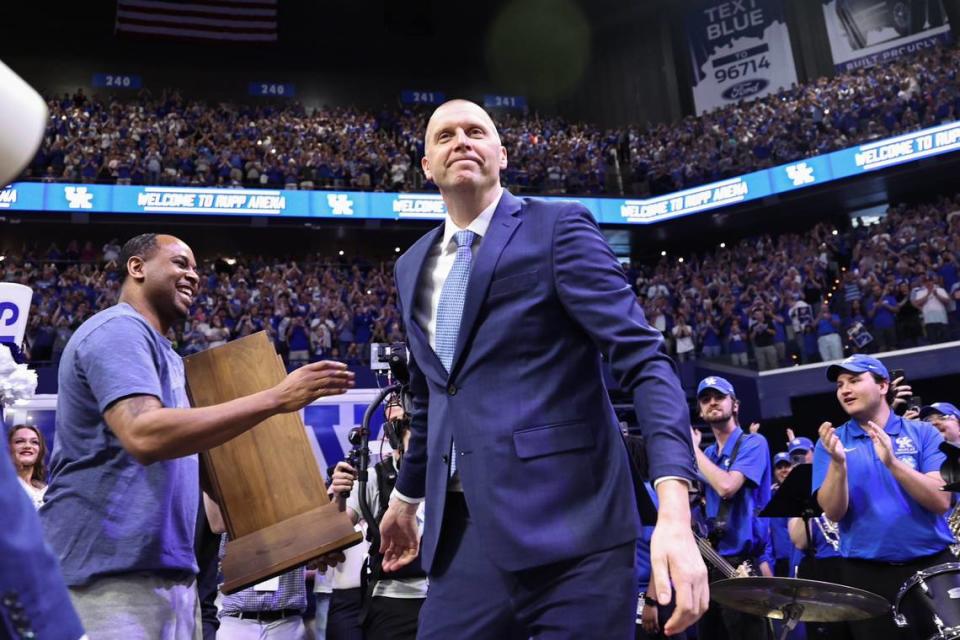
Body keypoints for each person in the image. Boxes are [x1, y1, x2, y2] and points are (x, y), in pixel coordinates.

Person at [378, 99, 707, 639]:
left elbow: (645, 361)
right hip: (463, 538)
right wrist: (404, 499)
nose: (461, 141)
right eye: (445, 136)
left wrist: (674, 512)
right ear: (427, 167)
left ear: (501, 155)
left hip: (575, 533)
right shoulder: (410, 264)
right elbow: (430, 396)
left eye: (475, 131)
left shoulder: (557, 227)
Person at [41, 233, 355, 640]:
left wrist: (305, 542)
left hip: (170, 579)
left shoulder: (170, 357)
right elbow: (144, 434)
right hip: (105, 578)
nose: (193, 275)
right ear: (136, 268)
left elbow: (220, 486)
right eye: (180, 263)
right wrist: (276, 397)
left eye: (195, 267)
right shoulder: (119, 330)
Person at [813, 354, 953, 640]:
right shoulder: (831, 442)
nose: (845, 390)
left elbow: (941, 501)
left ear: (883, 385)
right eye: (840, 384)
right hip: (866, 575)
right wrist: (838, 465)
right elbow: (832, 512)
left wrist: (893, 463)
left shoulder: (923, 433)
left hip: (933, 564)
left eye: (854, 380)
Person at [332, 395, 428, 640]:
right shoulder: (376, 477)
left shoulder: (450, 474)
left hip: (446, 597)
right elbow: (339, 528)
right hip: (391, 600)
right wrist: (340, 496)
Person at [691, 376, 772, 640]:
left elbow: (727, 487)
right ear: (700, 410)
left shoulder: (753, 443)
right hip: (711, 563)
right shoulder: (710, 455)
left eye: (718, 397)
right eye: (705, 399)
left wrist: (693, 450)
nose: (712, 402)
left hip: (742, 567)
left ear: (734, 404)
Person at [8, 424, 48, 508]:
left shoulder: (48, 492)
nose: (28, 446)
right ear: (8, 448)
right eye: (19, 441)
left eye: (34, 442)